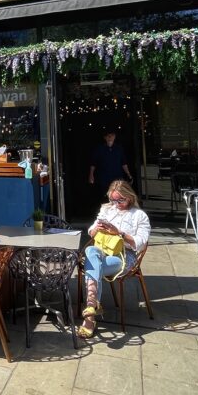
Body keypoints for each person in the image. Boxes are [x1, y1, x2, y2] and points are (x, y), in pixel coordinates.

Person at [79, 179, 151, 338]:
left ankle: (90, 317)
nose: (116, 204)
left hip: (124, 256)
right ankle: (92, 305)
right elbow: (91, 232)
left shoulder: (139, 215)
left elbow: (140, 242)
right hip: (102, 250)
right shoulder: (107, 209)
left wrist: (119, 233)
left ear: (129, 197)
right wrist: (97, 229)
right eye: (113, 200)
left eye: (120, 200)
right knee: (91, 250)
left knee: (92, 267)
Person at [88, 129, 132, 195]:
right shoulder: (99, 149)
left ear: (115, 136)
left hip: (117, 177)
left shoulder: (119, 148)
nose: (110, 137)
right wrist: (91, 174)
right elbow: (93, 163)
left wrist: (128, 174)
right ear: (105, 137)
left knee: (118, 195)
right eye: (108, 136)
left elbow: (124, 163)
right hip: (104, 178)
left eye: (112, 135)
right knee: (106, 195)